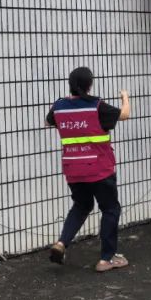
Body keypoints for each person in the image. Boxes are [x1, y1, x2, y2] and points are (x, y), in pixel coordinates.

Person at [46, 67, 131, 271]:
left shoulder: (59, 106)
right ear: (89, 85)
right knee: (110, 209)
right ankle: (106, 259)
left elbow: (48, 122)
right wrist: (125, 97)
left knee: (81, 205)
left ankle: (61, 243)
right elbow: (124, 115)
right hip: (99, 168)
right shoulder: (97, 106)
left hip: (73, 168)